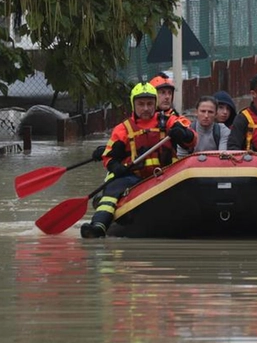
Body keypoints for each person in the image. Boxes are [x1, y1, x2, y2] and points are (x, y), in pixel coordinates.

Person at [80, 82, 197, 238]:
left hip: (165, 174)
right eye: (141, 104)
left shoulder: (169, 121)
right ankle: (98, 226)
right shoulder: (123, 129)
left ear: (155, 103)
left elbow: (192, 139)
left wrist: (183, 134)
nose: (146, 108)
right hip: (133, 177)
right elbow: (109, 157)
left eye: (150, 104)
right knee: (112, 190)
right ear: (133, 104)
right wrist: (116, 167)